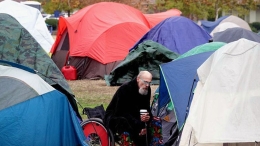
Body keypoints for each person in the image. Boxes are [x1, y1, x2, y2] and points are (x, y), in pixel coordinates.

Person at [104, 71, 153, 146]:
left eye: (149, 83)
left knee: (156, 121)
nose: (147, 85)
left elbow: (146, 108)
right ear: (138, 79)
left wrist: (148, 117)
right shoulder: (125, 89)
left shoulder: (147, 89)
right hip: (117, 116)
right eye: (145, 82)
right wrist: (139, 126)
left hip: (137, 117)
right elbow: (121, 111)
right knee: (123, 122)